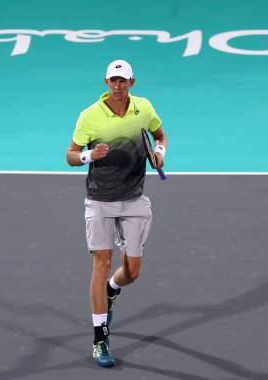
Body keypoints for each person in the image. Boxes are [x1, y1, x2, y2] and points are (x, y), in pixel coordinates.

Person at [65, 59, 167, 368]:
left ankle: (113, 289)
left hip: (134, 199)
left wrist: (160, 153)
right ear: (106, 82)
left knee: (132, 272)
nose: (118, 85)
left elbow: (160, 136)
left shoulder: (144, 108)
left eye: (123, 81)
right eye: (113, 80)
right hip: (100, 201)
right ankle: (100, 338)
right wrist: (87, 155)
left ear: (132, 82)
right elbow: (69, 155)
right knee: (102, 262)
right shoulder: (89, 116)